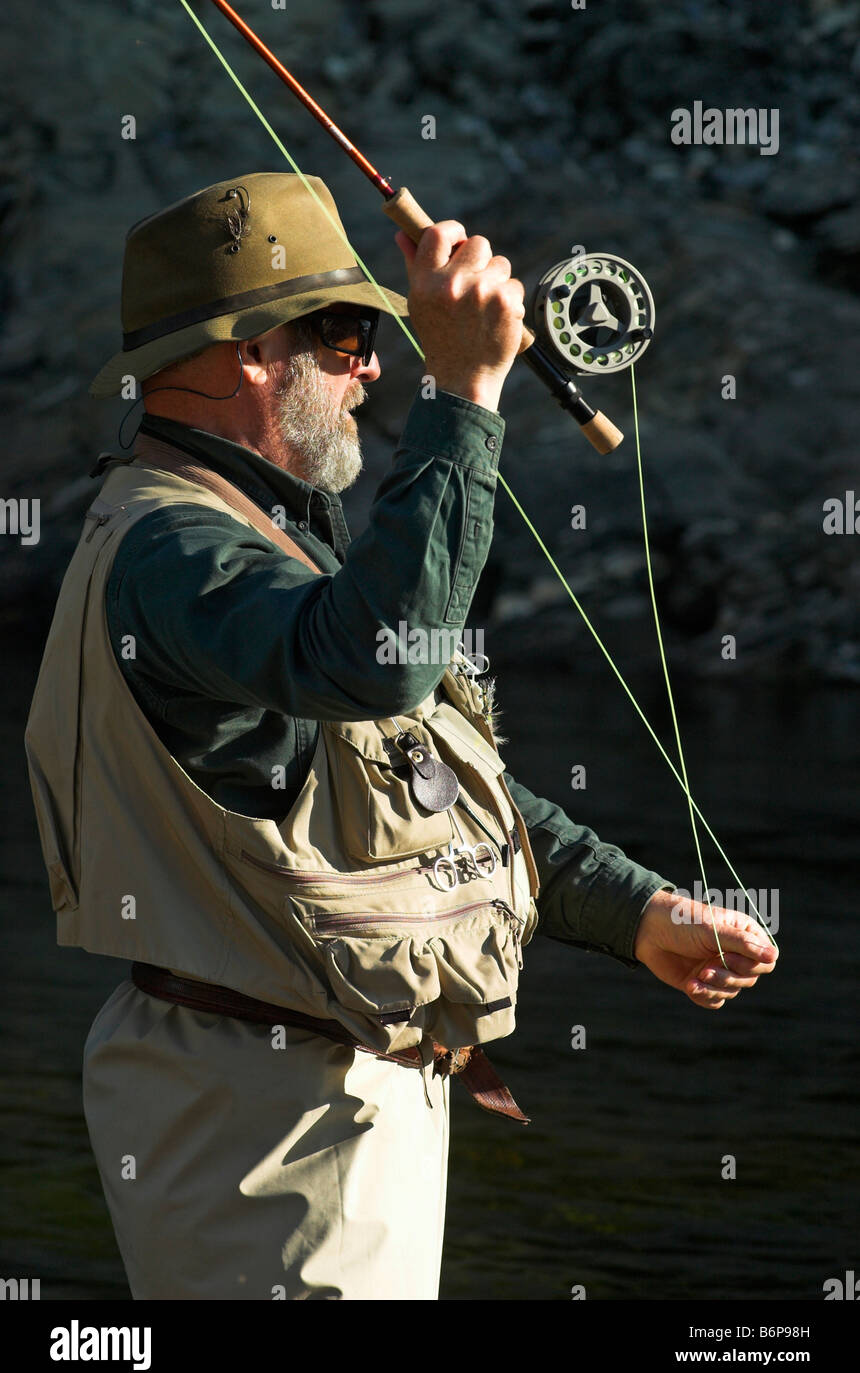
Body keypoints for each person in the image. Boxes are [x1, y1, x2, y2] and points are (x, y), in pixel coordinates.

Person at [25, 171, 777, 1301]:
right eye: (343, 332)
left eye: (376, 335)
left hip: (322, 1102)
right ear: (244, 355)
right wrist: (464, 394)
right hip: (259, 1130)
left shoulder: (258, 540)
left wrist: (636, 912)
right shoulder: (169, 553)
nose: (372, 363)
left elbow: (423, 788)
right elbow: (380, 661)